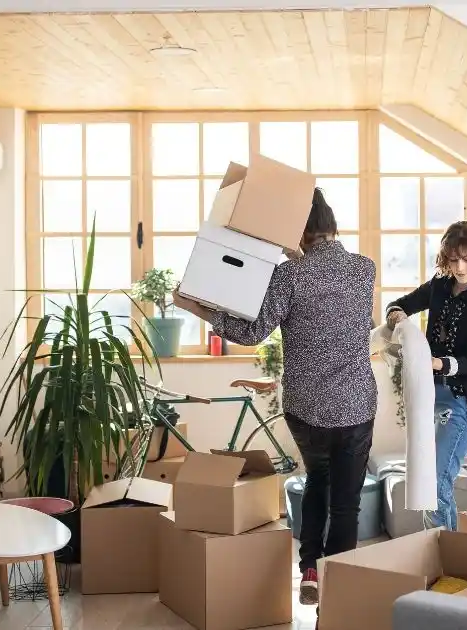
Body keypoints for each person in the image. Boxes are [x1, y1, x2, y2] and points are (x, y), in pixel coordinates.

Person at [172, 188, 376, 607]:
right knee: (347, 504)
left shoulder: (288, 276)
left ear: (296, 235)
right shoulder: (364, 270)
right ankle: (337, 593)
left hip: (307, 407)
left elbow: (250, 333)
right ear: (332, 225)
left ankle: (311, 571)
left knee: (316, 482)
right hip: (356, 405)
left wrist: (196, 307)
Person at [385, 220, 467, 530]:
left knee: (435, 481)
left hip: (466, 400)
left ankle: (439, 556)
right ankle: (449, 555)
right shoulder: (439, 285)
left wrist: (435, 363)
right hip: (431, 396)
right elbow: (399, 304)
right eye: (454, 259)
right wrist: (397, 314)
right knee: (434, 482)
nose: (461, 266)